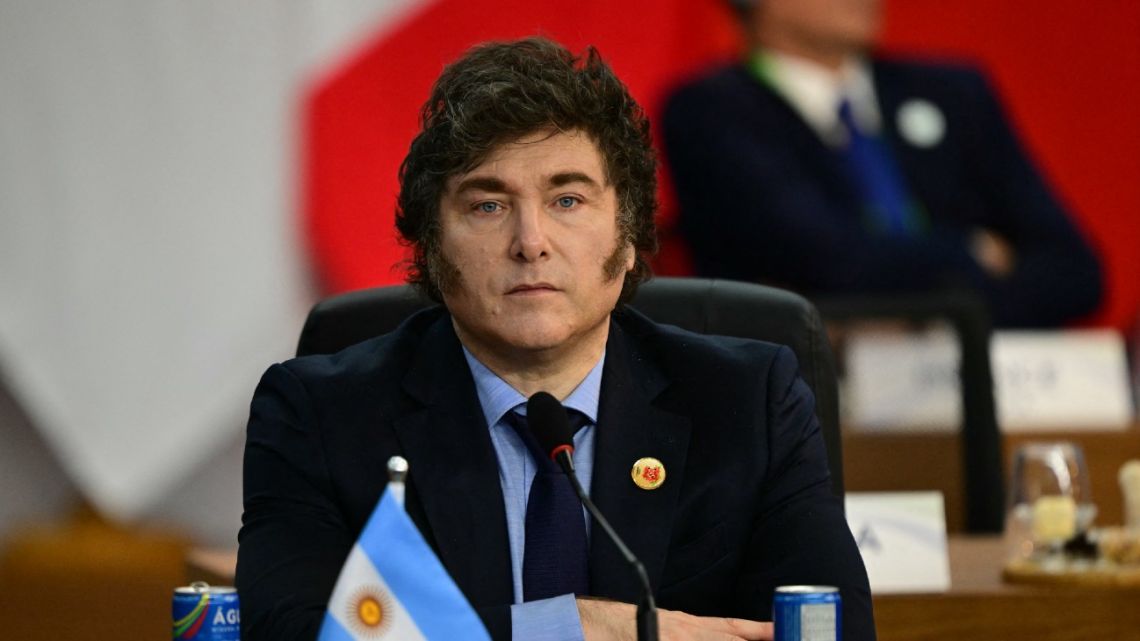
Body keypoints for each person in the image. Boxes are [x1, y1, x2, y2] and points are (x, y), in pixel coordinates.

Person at [236, 37, 875, 641]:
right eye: (488, 205)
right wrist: (575, 627)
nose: (531, 241)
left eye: (567, 199)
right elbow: (297, 632)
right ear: (431, 250)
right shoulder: (320, 414)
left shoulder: (746, 402)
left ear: (626, 240)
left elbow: (825, 628)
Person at [662, 0, 1102, 328]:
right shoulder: (709, 112)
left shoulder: (955, 93)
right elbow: (825, 260)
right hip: (811, 404)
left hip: (985, 387)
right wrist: (972, 252)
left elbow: (1075, 270)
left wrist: (934, 325)